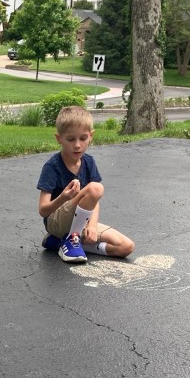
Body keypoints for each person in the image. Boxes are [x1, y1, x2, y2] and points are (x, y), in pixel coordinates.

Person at [37, 105, 134, 263]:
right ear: (59, 139)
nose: (77, 145)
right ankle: (71, 238)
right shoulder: (52, 167)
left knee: (125, 246)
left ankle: (62, 242)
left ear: (91, 136)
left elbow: (94, 201)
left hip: (81, 221)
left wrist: (92, 226)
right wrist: (63, 197)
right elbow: (43, 210)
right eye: (70, 139)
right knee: (95, 188)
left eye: (83, 138)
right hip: (56, 221)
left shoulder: (89, 162)